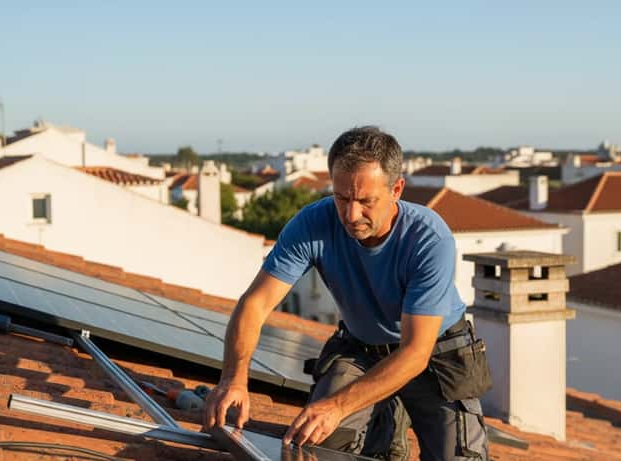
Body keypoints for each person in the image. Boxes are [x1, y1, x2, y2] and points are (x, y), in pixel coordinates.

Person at [203, 126, 489, 460]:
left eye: (366, 201)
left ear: (396, 189)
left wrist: (337, 405)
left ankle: (388, 416)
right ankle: (385, 430)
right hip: (362, 349)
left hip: (434, 355)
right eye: (342, 198)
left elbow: (414, 353)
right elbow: (255, 303)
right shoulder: (312, 223)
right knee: (318, 446)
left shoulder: (428, 239)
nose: (351, 215)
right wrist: (234, 379)